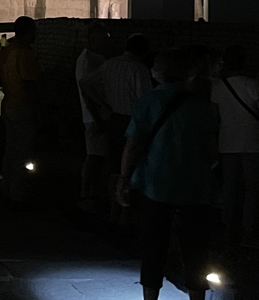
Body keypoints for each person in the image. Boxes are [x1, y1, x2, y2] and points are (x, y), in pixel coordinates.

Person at [117, 47, 217, 300]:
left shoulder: (148, 101)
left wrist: (123, 178)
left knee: (153, 248)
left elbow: (133, 143)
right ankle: (197, 296)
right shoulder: (205, 106)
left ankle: (150, 297)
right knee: (195, 251)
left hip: (155, 184)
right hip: (196, 189)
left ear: (158, 72)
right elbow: (212, 150)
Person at [80, 33, 152, 223]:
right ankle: (126, 212)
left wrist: (101, 103)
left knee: (113, 166)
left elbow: (85, 83)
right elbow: (145, 101)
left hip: (114, 119)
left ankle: (112, 210)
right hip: (132, 121)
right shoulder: (139, 69)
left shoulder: (110, 64)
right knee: (130, 166)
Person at [211, 45, 259, 247]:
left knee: (229, 187)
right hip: (253, 142)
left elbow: (215, 115)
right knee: (252, 188)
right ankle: (249, 228)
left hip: (227, 142)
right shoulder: (252, 85)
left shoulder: (217, 87)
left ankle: (229, 226)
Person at [0, 16, 41, 206]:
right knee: (22, 152)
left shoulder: (7, 51)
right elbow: (29, 84)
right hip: (22, 105)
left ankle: (7, 188)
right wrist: (39, 109)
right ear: (27, 31)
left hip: (8, 103)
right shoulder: (24, 53)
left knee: (10, 150)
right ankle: (18, 192)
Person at [74, 23, 109, 214]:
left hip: (98, 115)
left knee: (98, 157)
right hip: (94, 116)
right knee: (94, 157)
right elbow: (87, 91)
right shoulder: (87, 60)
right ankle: (86, 194)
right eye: (102, 36)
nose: (106, 40)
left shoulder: (96, 58)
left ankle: (93, 193)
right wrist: (97, 117)